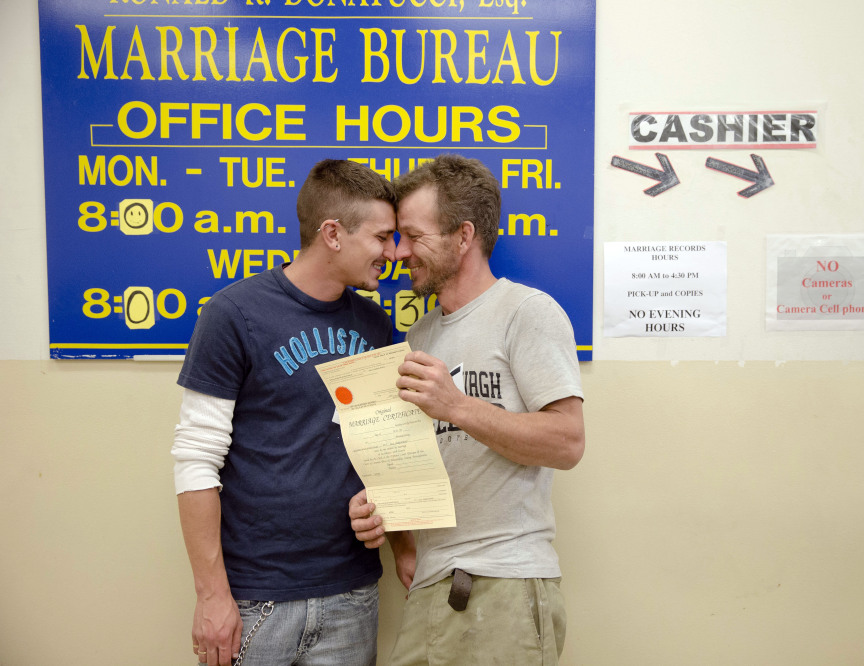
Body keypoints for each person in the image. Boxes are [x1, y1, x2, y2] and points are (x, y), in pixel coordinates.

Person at [348, 154, 586, 665]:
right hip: (433, 584)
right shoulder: (421, 336)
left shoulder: (526, 312)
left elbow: (567, 443)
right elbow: (418, 463)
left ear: (463, 236)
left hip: (504, 582)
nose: (399, 252)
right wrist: (390, 526)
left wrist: (455, 405)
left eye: (414, 236)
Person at [172, 159, 398, 666]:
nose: (393, 253)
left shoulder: (375, 325)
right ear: (333, 234)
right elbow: (194, 459)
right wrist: (212, 596)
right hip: (256, 598)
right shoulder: (234, 314)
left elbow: (384, 447)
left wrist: (384, 510)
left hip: (351, 593)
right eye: (383, 237)